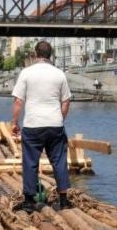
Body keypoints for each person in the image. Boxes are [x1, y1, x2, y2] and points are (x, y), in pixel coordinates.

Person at [10, 40, 72, 212]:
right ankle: (64, 200)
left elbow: (18, 101)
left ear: (35, 54)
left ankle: (29, 201)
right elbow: (66, 102)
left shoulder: (26, 73)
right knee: (59, 161)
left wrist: (14, 123)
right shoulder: (59, 74)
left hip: (33, 124)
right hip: (55, 124)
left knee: (30, 162)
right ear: (50, 55)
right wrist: (60, 119)